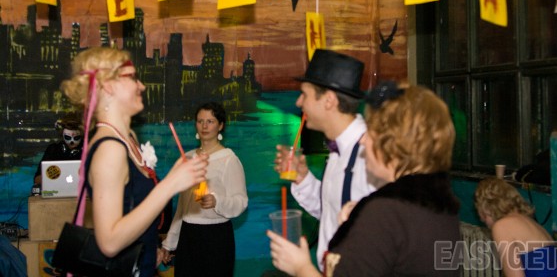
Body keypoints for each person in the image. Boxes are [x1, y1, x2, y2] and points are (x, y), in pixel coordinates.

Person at [268, 82, 461, 276]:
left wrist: (301, 267)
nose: (362, 140)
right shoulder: (444, 209)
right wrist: (357, 223)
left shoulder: (384, 212)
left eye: (371, 132)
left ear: (393, 144)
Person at [60, 47, 208, 277]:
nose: (142, 86)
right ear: (109, 85)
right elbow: (109, 242)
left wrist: (150, 247)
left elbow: (130, 211)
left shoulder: (127, 139)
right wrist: (170, 185)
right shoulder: (110, 149)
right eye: (132, 78)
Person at [273, 49, 379, 270]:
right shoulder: (337, 149)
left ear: (329, 100)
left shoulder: (372, 155)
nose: (298, 102)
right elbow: (331, 212)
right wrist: (302, 179)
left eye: (305, 94)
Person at [159, 101, 248, 276]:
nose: (204, 126)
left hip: (216, 237)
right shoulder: (187, 158)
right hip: (187, 236)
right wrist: (169, 244)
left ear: (220, 126)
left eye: (210, 121)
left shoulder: (229, 159)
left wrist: (217, 201)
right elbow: (182, 208)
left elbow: (241, 201)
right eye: (200, 121)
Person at [475, 178, 557, 277]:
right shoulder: (528, 222)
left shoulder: (502, 226)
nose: (482, 219)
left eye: (480, 213)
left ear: (486, 207)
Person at [33, 114, 83, 186]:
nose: (72, 142)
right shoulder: (53, 149)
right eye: (68, 137)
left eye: (76, 138)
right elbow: (37, 179)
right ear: (62, 135)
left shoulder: (88, 150)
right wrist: (52, 176)